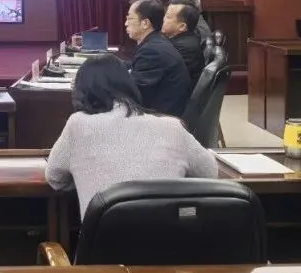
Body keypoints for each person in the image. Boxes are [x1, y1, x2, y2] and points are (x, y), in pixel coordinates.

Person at [45, 54, 217, 218]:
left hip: (105, 238)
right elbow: (210, 172)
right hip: (167, 237)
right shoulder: (172, 127)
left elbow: (55, 178)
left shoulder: (78, 124)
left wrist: (85, 176)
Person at [124, 0, 192, 116]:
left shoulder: (152, 51)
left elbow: (132, 93)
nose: (126, 23)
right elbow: (136, 67)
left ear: (145, 23)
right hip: (161, 109)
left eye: (130, 18)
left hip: (160, 117)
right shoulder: (155, 42)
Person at [162, 0, 206, 84]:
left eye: (167, 17)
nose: (163, 19)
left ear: (182, 26)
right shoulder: (188, 38)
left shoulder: (181, 48)